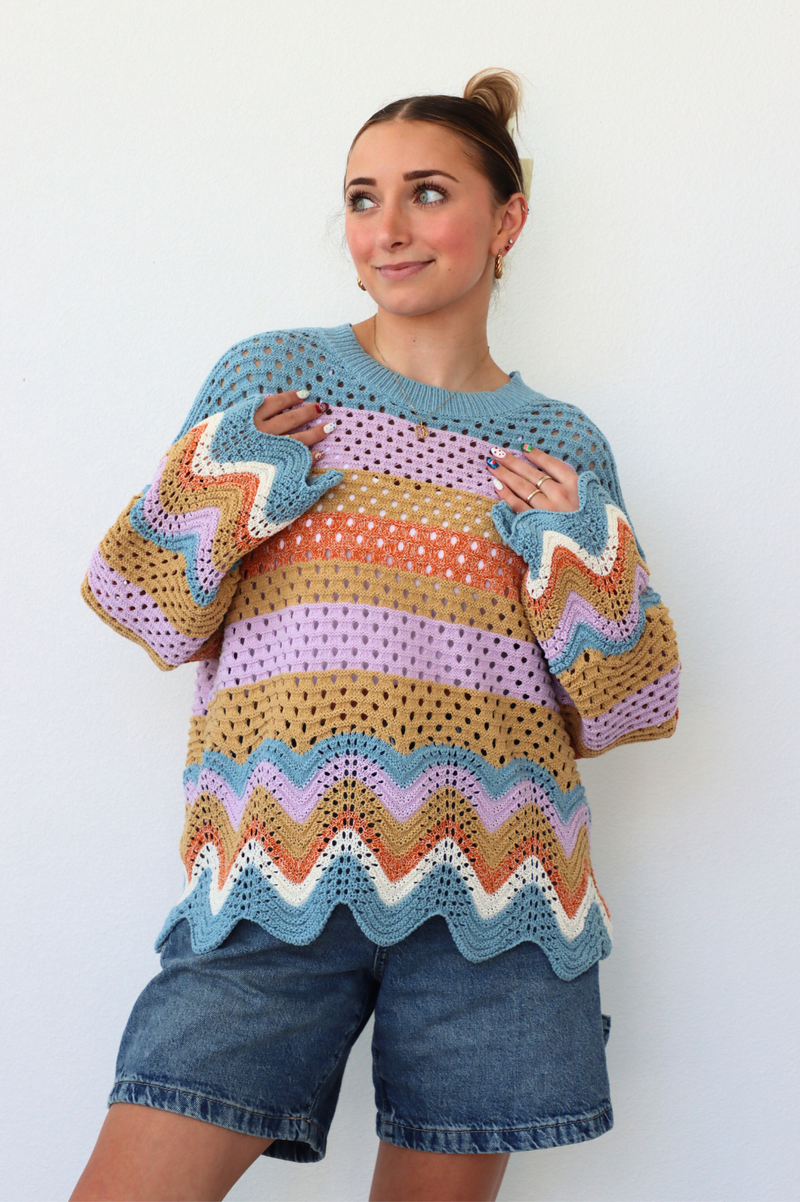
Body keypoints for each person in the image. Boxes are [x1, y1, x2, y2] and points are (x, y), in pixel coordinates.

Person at [71, 68, 680, 1202]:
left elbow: (625, 705)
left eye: (426, 193)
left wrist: (578, 551)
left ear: (506, 220)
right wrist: (232, 477)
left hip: (498, 898)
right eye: (362, 198)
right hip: (270, 873)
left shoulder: (561, 444)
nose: (386, 228)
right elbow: (144, 604)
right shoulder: (272, 381)